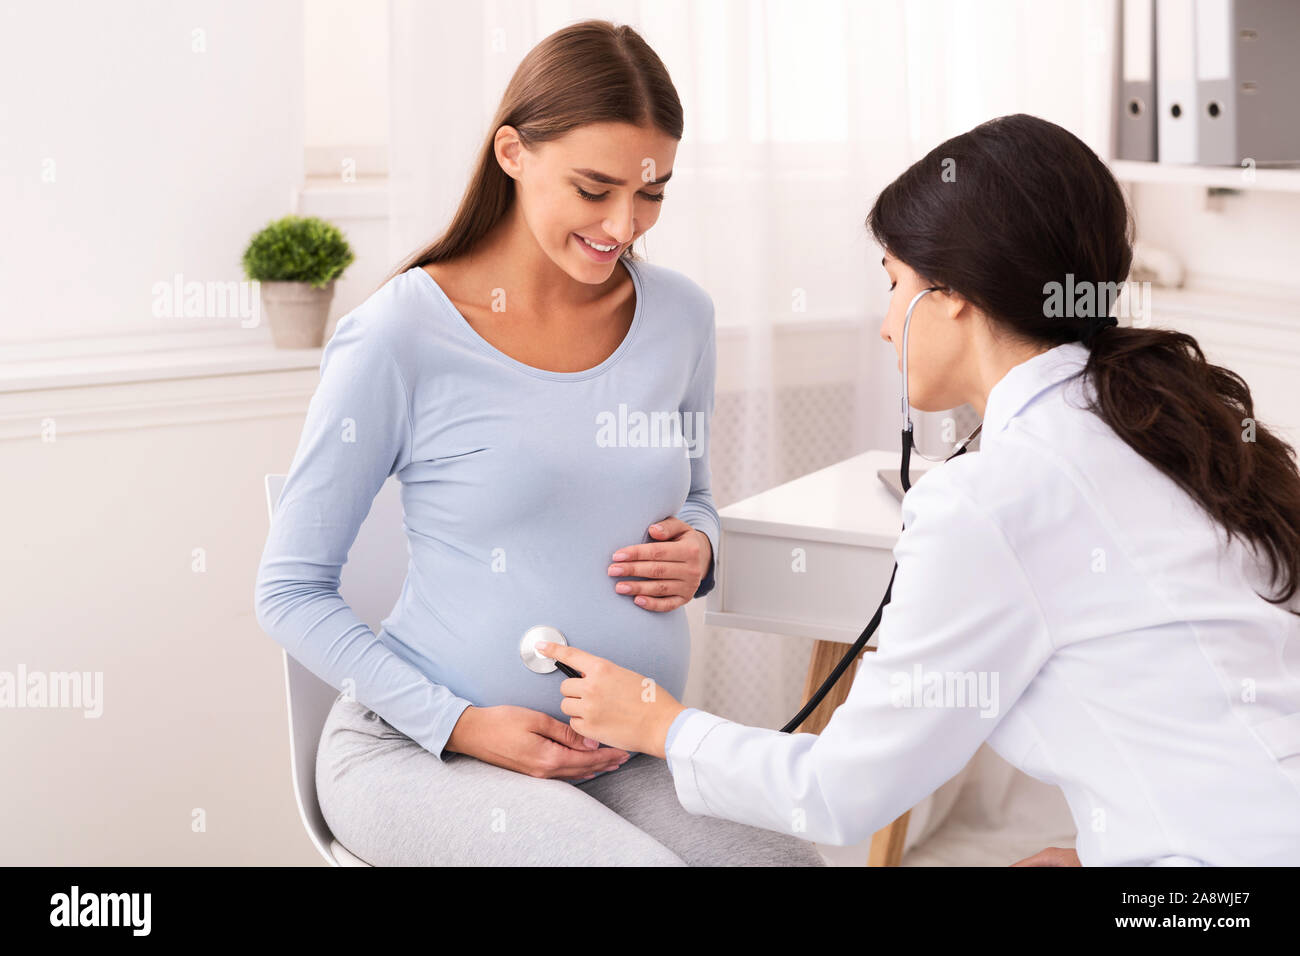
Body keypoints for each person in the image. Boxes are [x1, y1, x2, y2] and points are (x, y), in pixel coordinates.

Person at [536, 113, 1300, 867]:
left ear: (954, 293)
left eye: (895, 284)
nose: (886, 325)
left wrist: (661, 724)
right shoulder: (1170, 428)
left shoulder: (991, 497)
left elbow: (841, 790)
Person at [254, 19, 824, 867]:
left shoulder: (682, 319)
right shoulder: (400, 334)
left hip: (620, 751)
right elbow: (289, 591)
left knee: (788, 864)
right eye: (593, 188)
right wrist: (463, 724)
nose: (625, 224)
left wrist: (701, 548)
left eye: (653, 190)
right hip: (420, 751)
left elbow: (694, 495)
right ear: (513, 152)